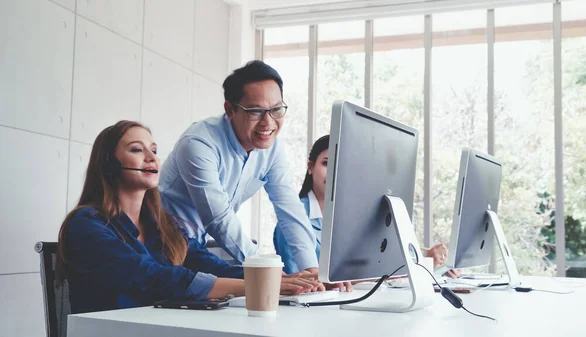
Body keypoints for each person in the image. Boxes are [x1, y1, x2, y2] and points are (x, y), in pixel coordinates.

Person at [55, 120, 320, 314]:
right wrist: (257, 285)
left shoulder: (162, 224)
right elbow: (153, 278)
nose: (152, 158)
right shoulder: (87, 225)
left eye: (154, 150)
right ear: (109, 164)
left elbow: (210, 265)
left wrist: (278, 277)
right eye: (137, 150)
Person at [158, 60, 318, 275]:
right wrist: (267, 270)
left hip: (197, 247)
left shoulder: (271, 147)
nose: (268, 123)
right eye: (255, 111)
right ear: (230, 110)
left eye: (276, 109)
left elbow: (289, 207)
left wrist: (312, 269)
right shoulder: (198, 143)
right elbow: (219, 219)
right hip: (160, 243)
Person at [273, 135, 460, 279]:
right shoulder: (291, 221)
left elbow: (375, 266)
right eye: (327, 163)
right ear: (311, 167)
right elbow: (303, 281)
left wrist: (434, 266)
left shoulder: (354, 218)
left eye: (343, 166)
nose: (335, 174)